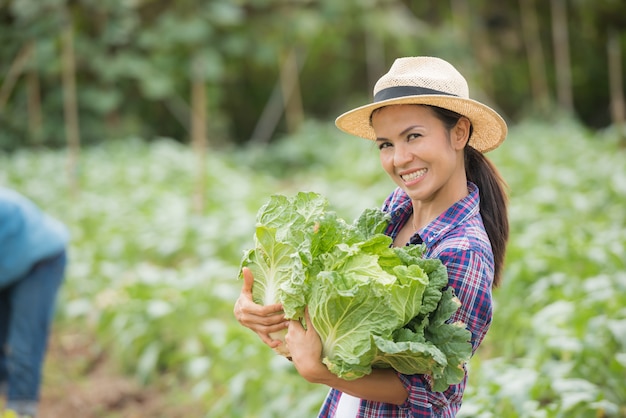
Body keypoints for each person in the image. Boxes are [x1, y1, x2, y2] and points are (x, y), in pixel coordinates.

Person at [234, 56, 509, 417]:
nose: (400, 158)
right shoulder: (396, 208)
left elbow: (434, 393)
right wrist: (265, 314)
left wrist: (318, 371)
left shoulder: (464, 249)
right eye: (385, 144)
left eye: (413, 136)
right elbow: (348, 323)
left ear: (459, 133)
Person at [0, 187, 69, 418]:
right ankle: (7, 391)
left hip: (40, 259)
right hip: (8, 261)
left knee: (24, 344)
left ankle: (21, 410)